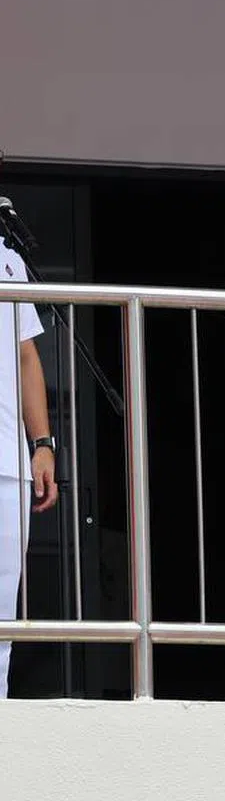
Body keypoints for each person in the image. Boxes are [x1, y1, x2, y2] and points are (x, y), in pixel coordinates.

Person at [0, 239, 58, 697]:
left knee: (2, 615)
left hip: (6, 460)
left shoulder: (8, 256)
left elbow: (25, 355)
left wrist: (42, 443)